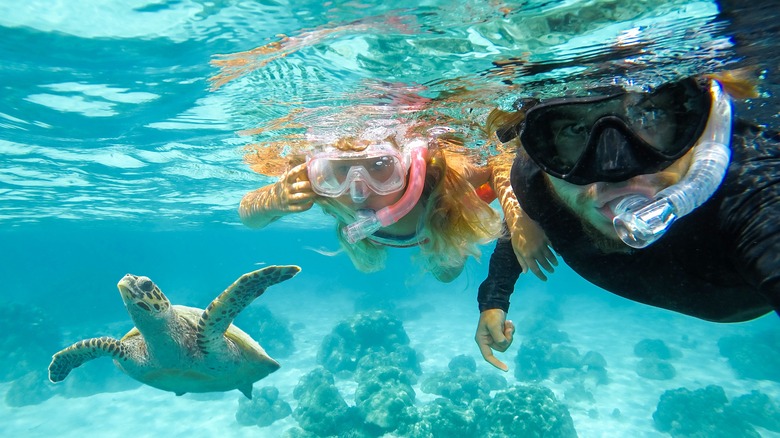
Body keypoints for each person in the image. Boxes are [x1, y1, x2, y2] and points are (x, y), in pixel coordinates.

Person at [474, 72, 780, 371]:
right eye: (573, 131)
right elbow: (527, 217)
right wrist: (494, 300)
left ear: (700, 124)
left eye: (649, 116)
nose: (614, 169)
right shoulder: (536, 180)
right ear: (543, 151)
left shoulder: (751, 189)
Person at [238, 122, 557, 282]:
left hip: (441, 221)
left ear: (407, 166)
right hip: (400, 235)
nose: (358, 190)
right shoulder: (323, 189)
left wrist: (520, 220)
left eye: (379, 167)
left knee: (447, 275)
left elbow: (500, 161)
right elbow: (248, 217)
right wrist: (273, 200)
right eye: (341, 170)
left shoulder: (438, 179)